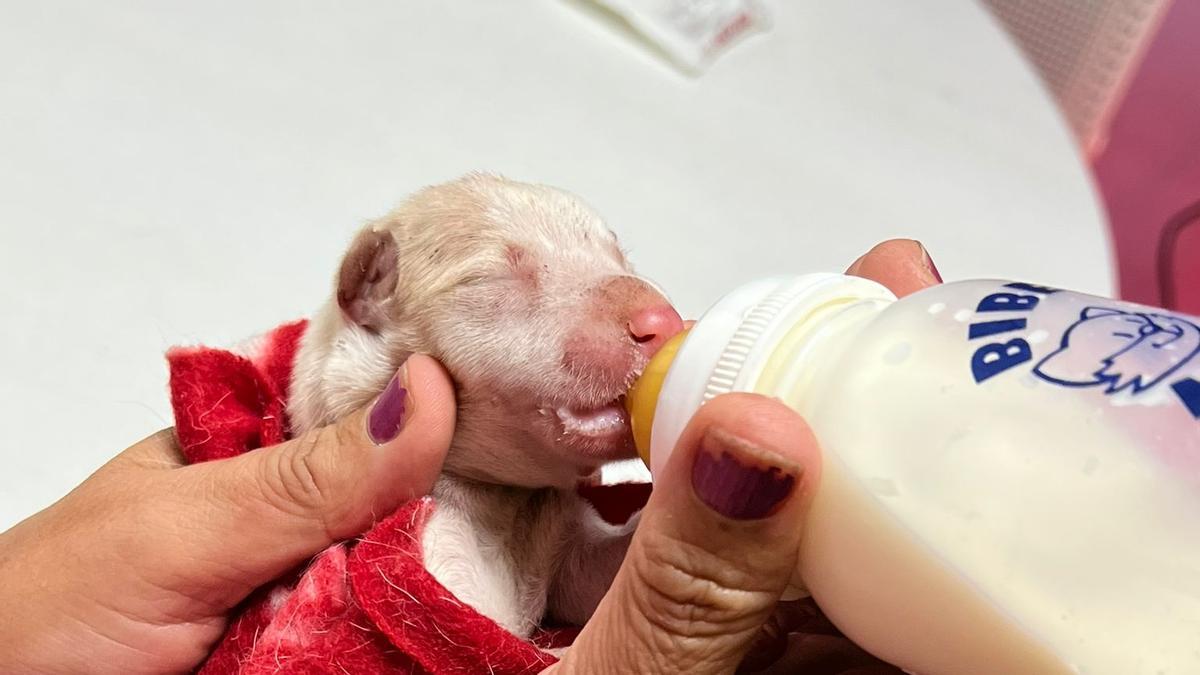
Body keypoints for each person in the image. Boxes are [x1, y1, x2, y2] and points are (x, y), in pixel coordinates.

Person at [0, 240, 941, 674]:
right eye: (501, 280)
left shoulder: (542, 504)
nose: (651, 312)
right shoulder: (364, 546)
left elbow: (586, 581)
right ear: (372, 302)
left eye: (608, 255)